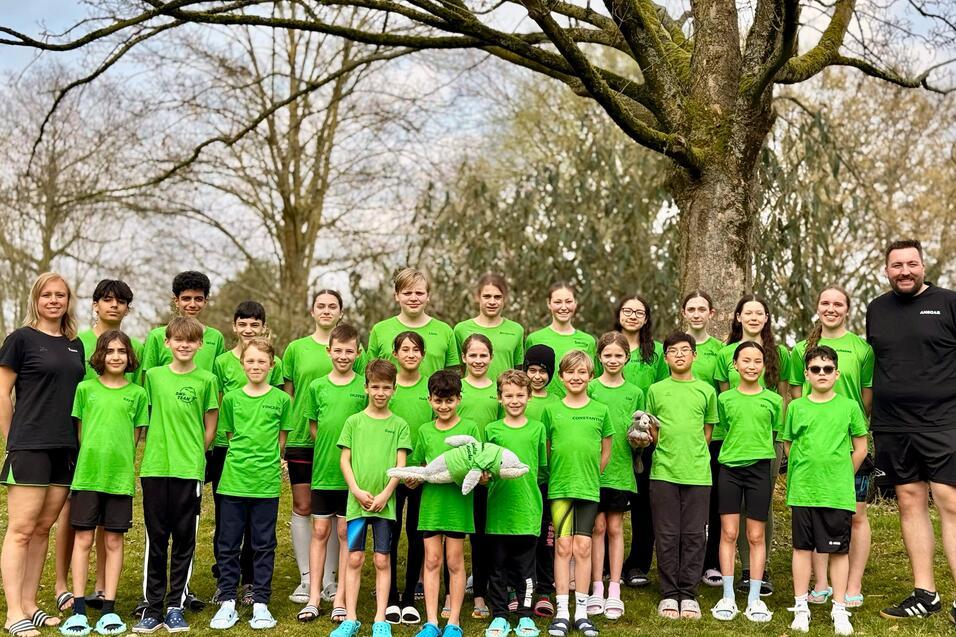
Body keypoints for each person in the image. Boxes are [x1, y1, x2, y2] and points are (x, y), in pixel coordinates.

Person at [866, 239, 956, 623]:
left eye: (911, 264)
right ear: (886, 270)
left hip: (944, 422)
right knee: (909, 501)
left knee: (950, 501)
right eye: (897, 265)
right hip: (893, 425)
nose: (905, 271)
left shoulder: (949, 303)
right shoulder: (876, 309)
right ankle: (925, 594)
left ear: (923, 266)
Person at [0, 273, 85, 637]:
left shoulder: (75, 344)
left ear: (68, 300)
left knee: (42, 530)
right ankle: (13, 612)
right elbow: (2, 393)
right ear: (35, 299)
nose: (54, 300)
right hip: (30, 446)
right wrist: (14, 440)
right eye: (46, 294)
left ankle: (30, 604)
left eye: (60, 295)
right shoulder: (20, 339)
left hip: (65, 448)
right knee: (21, 530)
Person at [57, 279, 141, 615]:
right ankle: (63, 586)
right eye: (107, 299)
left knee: (111, 530)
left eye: (121, 301)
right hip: (84, 449)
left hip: (115, 455)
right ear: (95, 304)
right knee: (73, 520)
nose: (114, 305)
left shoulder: (135, 346)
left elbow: (136, 419)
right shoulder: (77, 342)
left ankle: (105, 590)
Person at [790, 287, 874, 609]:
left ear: (847, 309)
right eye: (825, 302)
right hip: (815, 448)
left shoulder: (861, 348)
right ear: (817, 307)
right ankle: (821, 583)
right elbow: (797, 395)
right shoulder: (801, 349)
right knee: (816, 514)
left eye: (838, 303)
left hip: (849, 445)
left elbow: (866, 396)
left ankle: (852, 584)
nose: (831, 308)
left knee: (856, 515)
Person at [134, 317, 218, 634]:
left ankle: (174, 606)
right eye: (178, 340)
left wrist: (196, 453)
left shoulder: (207, 380)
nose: (184, 345)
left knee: (184, 539)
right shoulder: (154, 377)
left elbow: (211, 423)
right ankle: (152, 608)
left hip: (189, 471)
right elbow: (144, 417)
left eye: (191, 340)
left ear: (199, 345)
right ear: (167, 343)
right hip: (155, 467)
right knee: (156, 539)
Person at [781, 346, 868, 636]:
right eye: (815, 369)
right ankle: (801, 607)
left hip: (837, 493)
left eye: (827, 369)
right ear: (806, 374)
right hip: (803, 490)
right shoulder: (796, 407)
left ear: (836, 374)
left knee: (838, 551)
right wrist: (804, 471)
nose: (822, 373)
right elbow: (789, 444)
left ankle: (839, 608)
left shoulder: (849, 407)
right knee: (802, 548)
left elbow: (861, 447)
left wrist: (841, 475)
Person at [208, 338, 292, 631]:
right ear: (242, 364)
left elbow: (281, 439)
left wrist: (269, 461)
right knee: (228, 543)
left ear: (272, 365)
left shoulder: (282, 400)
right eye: (250, 361)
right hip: (233, 482)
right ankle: (227, 601)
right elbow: (230, 435)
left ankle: (261, 603)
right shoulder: (231, 399)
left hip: (266, 484)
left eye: (262, 361)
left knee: (264, 544)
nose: (256, 366)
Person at [283, 290, 356, 604]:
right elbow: (288, 395)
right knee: (304, 506)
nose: (326, 310)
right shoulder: (296, 348)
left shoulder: (352, 347)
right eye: (321, 306)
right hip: (302, 439)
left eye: (332, 306)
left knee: (337, 512)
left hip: (340, 444)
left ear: (340, 311)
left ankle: (330, 580)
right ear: (312, 311)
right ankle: (307, 578)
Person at [714, 294, 790, 595]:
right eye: (748, 312)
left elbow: (783, 396)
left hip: (766, 438)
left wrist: (779, 440)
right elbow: (723, 398)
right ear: (738, 317)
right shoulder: (725, 354)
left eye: (760, 313)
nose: (754, 317)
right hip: (735, 440)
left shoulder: (779, 354)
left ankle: (759, 569)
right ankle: (740, 569)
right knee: (735, 509)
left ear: (767, 318)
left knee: (761, 504)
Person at [330, 359, 412, 637]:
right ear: (366, 387)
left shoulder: (400, 425)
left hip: (384, 506)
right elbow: (345, 460)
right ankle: (350, 618)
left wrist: (386, 494)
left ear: (394, 389)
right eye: (375, 387)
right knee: (354, 558)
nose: (380, 392)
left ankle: (380, 619)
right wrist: (355, 490)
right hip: (357, 504)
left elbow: (400, 465)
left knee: (381, 560)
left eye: (386, 387)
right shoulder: (354, 422)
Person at [297, 324, 367, 624]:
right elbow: (315, 426)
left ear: (358, 353)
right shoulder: (317, 387)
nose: (343, 356)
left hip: (353, 476)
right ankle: (314, 597)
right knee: (320, 531)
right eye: (338, 350)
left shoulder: (364, 386)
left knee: (344, 533)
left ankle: (339, 598)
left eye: (349, 351)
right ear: (329, 351)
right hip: (324, 471)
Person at [646, 332, 718, 621]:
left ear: (694, 355)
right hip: (663, 471)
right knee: (666, 534)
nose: (679, 355)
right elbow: (651, 430)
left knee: (694, 535)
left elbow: (707, 432)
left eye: (685, 350)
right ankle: (669, 593)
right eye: (673, 351)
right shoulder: (656, 390)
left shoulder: (706, 391)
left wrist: (693, 455)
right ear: (665, 358)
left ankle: (688, 594)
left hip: (698, 473)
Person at [542, 350, 612, 637]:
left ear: (590, 376)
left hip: (587, 489)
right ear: (561, 377)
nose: (576, 377)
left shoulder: (601, 410)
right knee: (562, 546)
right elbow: (548, 449)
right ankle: (562, 612)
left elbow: (605, 450)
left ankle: (581, 613)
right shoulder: (551, 411)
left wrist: (591, 476)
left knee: (583, 547)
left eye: (582, 372)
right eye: (570, 372)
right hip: (560, 489)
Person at [709, 342, 781, 623]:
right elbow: (723, 430)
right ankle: (728, 596)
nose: (751, 366)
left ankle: (754, 598)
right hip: (729, 470)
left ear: (763, 366)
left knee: (755, 535)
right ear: (735, 365)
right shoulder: (724, 399)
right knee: (728, 532)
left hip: (759, 470)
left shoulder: (774, 400)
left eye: (757, 361)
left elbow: (774, 433)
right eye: (746, 361)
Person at [407, 370, 480, 637]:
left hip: (457, 505)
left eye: (449, 401)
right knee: (432, 560)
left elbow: (477, 463)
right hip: (431, 506)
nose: (444, 406)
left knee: (454, 561)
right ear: (430, 400)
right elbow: (421, 465)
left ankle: (454, 622)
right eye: (438, 401)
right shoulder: (425, 431)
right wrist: (413, 479)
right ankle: (431, 622)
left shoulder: (470, 428)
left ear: (459, 399)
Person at [483, 370, 547, 637]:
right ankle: (499, 615)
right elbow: (486, 469)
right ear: (500, 398)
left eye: (520, 395)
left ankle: (525, 616)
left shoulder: (538, 429)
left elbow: (541, 469)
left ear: (529, 396)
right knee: (497, 568)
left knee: (526, 570)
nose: (514, 400)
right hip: (498, 511)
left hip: (527, 510)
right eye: (508, 395)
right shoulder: (492, 430)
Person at [586, 332, 643, 621]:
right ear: (599, 357)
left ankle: (614, 587)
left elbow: (640, 431)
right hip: (593, 470)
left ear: (627, 358)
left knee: (615, 527)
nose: (612, 360)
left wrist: (641, 440)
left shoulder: (635, 392)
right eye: (607, 355)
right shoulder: (591, 388)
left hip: (620, 469)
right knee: (596, 527)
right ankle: (597, 585)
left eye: (618, 355)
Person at [613, 295, 667, 590]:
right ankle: (607, 563)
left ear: (646, 318)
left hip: (644, 436)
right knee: (611, 502)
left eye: (639, 312)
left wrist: (651, 433)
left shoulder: (655, 353)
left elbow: (661, 393)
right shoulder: (608, 345)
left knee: (644, 504)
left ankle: (638, 564)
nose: (632, 316)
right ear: (618, 314)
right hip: (612, 436)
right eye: (627, 311)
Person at [386, 332, 433, 624]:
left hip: (421, 475)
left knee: (416, 535)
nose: (411, 354)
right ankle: (390, 595)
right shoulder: (388, 388)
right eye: (405, 349)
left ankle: (410, 597)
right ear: (395, 354)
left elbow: (437, 428)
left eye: (416, 350)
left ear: (423, 355)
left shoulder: (429, 388)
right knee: (390, 535)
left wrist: (424, 469)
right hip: (392, 474)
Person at [680, 291, 726, 588]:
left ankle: (711, 563)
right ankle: (682, 559)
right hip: (680, 437)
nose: (696, 314)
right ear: (684, 312)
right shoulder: (675, 346)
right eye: (691, 309)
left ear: (711, 313)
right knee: (682, 501)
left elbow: (723, 391)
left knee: (713, 502)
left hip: (713, 435)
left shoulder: (720, 350)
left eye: (702, 309)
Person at [456, 334, 498, 618]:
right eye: (473, 355)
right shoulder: (457, 389)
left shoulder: (499, 390)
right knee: (456, 535)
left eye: (483, 355)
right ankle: (452, 592)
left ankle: (481, 593)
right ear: (464, 358)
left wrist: (489, 468)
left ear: (491, 358)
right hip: (460, 472)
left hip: (487, 474)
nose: (478, 360)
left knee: (483, 537)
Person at [367, 268, 459, 379]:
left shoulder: (445, 331)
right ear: (396, 296)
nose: (413, 298)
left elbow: (453, 378)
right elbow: (369, 375)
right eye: (407, 293)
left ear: (428, 296)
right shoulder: (380, 330)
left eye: (419, 293)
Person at [522, 345, 558, 617]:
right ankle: (518, 586)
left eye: (542, 371)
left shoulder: (557, 402)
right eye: (531, 370)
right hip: (520, 481)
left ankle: (545, 589)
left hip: (547, 481)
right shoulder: (517, 397)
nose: (536, 376)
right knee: (523, 537)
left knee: (547, 537)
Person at [139, 271, 225, 374]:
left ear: (205, 302)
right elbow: (147, 377)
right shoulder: (156, 336)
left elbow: (219, 377)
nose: (192, 304)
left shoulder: (216, 337)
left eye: (198, 299)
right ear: (176, 301)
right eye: (186, 298)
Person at [525, 283, 597, 398]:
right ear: (549, 303)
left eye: (568, 302)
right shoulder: (534, 339)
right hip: (542, 405)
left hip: (576, 406)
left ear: (575, 303)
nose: (563, 307)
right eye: (558, 302)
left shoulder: (588, 341)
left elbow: (593, 380)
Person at [454, 273, 525, 380]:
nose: (492, 302)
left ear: (505, 298)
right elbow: (458, 368)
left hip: (504, 390)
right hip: (469, 391)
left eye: (497, 297)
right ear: (477, 297)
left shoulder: (516, 330)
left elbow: (518, 370)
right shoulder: (461, 329)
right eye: (487, 296)